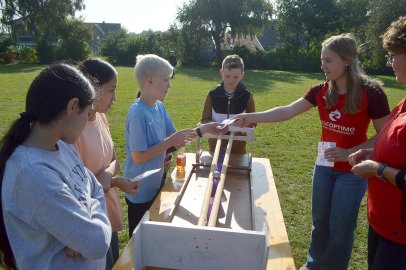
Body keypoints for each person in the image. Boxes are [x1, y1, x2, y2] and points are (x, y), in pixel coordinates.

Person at [233, 33, 390, 270]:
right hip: (324, 168)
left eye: (328, 60)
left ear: (346, 60)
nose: (322, 66)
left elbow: (384, 135)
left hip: (352, 171)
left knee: (341, 227)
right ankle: (313, 265)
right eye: (322, 60)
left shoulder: (372, 93)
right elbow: (287, 111)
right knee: (319, 222)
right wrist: (249, 117)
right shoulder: (321, 90)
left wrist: (351, 150)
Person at [0, 63, 111, 269]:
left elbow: (93, 185)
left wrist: (81, 229)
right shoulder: (32, 175)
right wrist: (89, 224)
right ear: (72, 107)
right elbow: (97, 243)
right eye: (87, 115)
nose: (88, 122)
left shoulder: (62, 145)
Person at [124, 54, 226, 237]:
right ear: (150, 81)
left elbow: (175, 136)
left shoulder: (159, 107)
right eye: (165, 80)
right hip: (139, 190)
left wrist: (203, 130)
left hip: (157, 182)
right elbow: (138, 156)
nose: (169, 85)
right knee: (138, 242)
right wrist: (169, 143)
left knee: (154, 235)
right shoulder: (137, 112)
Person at [350, 16, 406, 270]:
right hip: (383, 226)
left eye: (393, 54)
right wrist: (371, 151)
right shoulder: (403, 104)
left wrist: (377, 170)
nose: (388, 62)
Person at [76, 58, 139, 270]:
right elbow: (77, 184)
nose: (115, 98)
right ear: (92, 88)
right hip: (89, 220)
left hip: (108, 213)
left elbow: (113, 161)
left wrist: (111, 179)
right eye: (111, 90)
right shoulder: (73, 130)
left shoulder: (101, 117)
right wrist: (106, 180)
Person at [201, 54, 255, 154]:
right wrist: (214, 126)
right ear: (221, 72)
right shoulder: (212, 95)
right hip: (215, 144)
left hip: (238, 147)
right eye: (227, 76)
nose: (231, 80)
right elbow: (205, 120)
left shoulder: (247, 96)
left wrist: (244, 123)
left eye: (236, 77)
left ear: (242, 75)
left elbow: (253, 123)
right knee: (215, 169)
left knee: (237, 169)